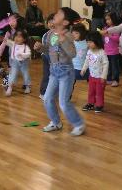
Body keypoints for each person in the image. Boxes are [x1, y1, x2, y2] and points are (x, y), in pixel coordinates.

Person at [35, 7, 85, 136]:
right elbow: (50, 50)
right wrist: (41, 48)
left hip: (66, 73)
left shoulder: (68, 35)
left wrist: (63, 41)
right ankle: (56, 122)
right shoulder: (51, 34)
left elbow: (72, 54)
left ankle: (79, 123)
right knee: (47, 99)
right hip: (54, 71)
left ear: (65, 23)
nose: (55, 15)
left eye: (58, 14)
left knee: (63, 103)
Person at [81, 31, 109, 113]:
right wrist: (83, 69)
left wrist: (104, 76)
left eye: (90, 42)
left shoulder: (102, 52)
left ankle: (99, 105)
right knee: (91, 91)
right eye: (87, 42)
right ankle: (90, 103)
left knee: (99, 92)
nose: (88, 44)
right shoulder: (89, 51)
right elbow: (87, 61)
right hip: (92, 76)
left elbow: (106, 64)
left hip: (100, 78)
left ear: (97, 41)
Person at [5, 29, 32, 96]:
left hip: (24, 63)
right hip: (15, 63)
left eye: (19, 37)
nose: (17, 38)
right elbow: (7, 42)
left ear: (24, 39)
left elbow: (28, 54)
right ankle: (10, 87)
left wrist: (22, 55)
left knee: (26, 74)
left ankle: (28, 86)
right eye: (16, 36)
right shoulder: (13, 44)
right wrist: (4, 39)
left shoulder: (26, 47)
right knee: (12, 74)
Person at [36, 14, 55, 99]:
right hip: (46, 58)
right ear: (47, 24)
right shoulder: (45, 35)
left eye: (54, 22)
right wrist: (38, 48)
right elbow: (44, 49)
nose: (52, 24)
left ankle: (53, 92)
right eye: (50, 22)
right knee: (46, 75)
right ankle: (43, 93)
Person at [103, 12, 121, 87]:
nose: (107, 21)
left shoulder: (116, 28)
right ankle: (109, 79)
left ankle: (116, 80)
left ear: (113, 19)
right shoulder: (105, 28)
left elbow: (117, 39)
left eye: (109, 19)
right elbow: (105, 40)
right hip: (106, 52)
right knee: (108, 66)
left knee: (115, 67)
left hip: (114, 52)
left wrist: (109, 35)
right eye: (106, 19)